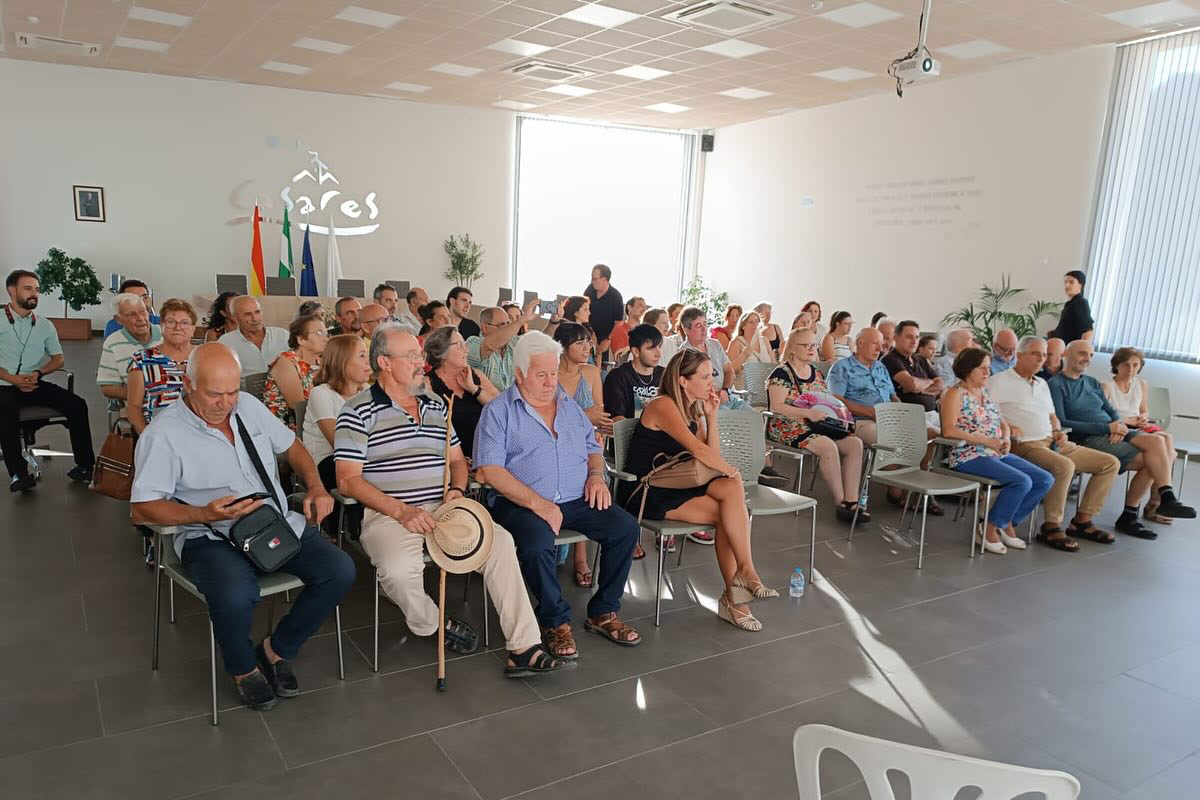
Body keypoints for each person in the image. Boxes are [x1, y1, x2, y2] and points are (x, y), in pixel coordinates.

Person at [334, 327, 571, 677]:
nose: (421, 363)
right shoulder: (357, 410)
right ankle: (432, 623)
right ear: (384, 362)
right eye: (411, 357)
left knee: (501, 544)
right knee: (398, 572)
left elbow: (458, 462)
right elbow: (347, 480)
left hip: (444, 507)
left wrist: (457, 491)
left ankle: (524, 646)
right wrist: (400, 510)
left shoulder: (436, 405)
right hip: (389, 513)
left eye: (420, 355)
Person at [130, 343, 354, 711]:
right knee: (236, 595)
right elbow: (142, 510)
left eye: (232, 391)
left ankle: (275, 650)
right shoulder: (164, 433)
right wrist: (203, 514)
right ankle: (242, 668)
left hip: (271, 524)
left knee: (339, 570)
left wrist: (315, 486)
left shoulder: (248, 407)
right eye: (214, 393)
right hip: (209, 536)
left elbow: (293, 447)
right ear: (188, 384)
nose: (226, 402)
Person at [473, 331, 642, 660]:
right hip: (521, 502)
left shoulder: (568, 407)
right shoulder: (498, 412)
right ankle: (555, 620)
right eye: (541, 375)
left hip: (576, 498)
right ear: (519, 374)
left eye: (553, 373)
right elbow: (489, 471)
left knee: (624, 528)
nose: (551, 382)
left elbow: (594, 448)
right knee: (536, 544)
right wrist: (539, 505)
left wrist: (596, 476)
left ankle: (603, 612)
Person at [630, 349, 777, 631]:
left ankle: (742, 583)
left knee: (731, 505)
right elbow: (698, 451)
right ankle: (740, 589)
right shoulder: (662, 405)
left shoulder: (692, 408)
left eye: (713, 375)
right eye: (705, 376)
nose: (712, 382)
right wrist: (730, 469)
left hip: (682, 484)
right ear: (683, 381)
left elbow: (709, 454)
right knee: (731, 499)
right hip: (649, 492)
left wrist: (712, 416)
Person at [990, 336, 1123, 550]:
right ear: (1020, 355)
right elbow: (987, 412)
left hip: (1052, 440)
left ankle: (1082, 520)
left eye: (1044, 355)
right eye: (1035, 354)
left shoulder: (1042, 383)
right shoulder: (999, 381)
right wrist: (1006, 425)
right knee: (1064, 466)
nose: (1041, 359)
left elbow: (1052, 415)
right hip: (1025, 444)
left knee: (1110, 463)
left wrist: (1057, 430)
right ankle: (1052, 525)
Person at [1050, 341, 1194, 535]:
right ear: (1066, 353)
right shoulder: (1056, 384)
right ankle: (1130, 515)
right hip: (1089, 437)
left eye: (1091, 355)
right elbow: (1062, 421)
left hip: (1114, 430)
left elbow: (1110, 411)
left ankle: (1167, 497)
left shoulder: (1091, 382)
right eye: (1082, 353)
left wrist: (1119, 426)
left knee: (1158, 442)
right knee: (1153, 461)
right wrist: (1107, 427)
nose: (1087, 359)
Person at [941, 347, 1054, 554]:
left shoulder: (985, 392)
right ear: (968, 369)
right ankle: (990, 527)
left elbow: (1001, 420)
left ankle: (1006, 521)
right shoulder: (954, 394)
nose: (987, 372)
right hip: (968, 455)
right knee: (1022, 481)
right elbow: (948, 430)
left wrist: (1005, 437)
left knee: (1044, 479)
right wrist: (986, 440)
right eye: (982, 368)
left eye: (988, 368)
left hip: (994, 452)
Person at [0, 270, 94, 491]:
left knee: (77, 405)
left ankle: (85, 466)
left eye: (37, 289)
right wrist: (12, 378)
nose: (35, 294)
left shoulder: (44, 325)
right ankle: (19, 474)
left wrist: (39, 373)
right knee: (6, 410)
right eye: (28, 288)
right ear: (11, 290)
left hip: (33, 382)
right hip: (4, 384)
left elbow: (58, 358)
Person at [767, 329, 864, 521]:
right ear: (793, 348)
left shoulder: (817, 372)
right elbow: (776, 407)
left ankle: (852, 500)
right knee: (827, 446)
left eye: (814, 345)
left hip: (816, 424)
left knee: (855, 444)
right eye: (807, 345)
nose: (813, 349)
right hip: (787, 425)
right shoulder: (781, 373)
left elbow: (826, 402)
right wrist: (807, 413)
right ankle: (841, 503)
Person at [553, 322, 616, 587]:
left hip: (586, 443)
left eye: (588, 342)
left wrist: (602, 424)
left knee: (592, 484)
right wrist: (585, 417)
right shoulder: (550, 374)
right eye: (579, 343)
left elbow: (598, 412)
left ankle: (581, 556)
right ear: (563, 348)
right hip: (556, 443)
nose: (587, 348)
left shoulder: (591, 373)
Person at [1103, 347, 1179, 523]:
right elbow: (1105, 416)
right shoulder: (1107, 385)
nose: (1131, 370)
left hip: (1138, 426)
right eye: (1126, 365)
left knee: (1168, 440)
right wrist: (1129, 421)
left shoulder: (1141, 384)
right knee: (1165, 453)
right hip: (1122, 426)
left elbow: (1144, 410)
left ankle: (1157, 501)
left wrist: (1142, 418)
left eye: (1135, 365)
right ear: (1117, 365)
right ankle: (1156, 504)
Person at [302, 333, 370, 494]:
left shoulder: (367, 390)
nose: (368, 361)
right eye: (361, 356)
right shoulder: (321, 393)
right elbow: (339, 443)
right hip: (329, 462)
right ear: (342, 362)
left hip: (363, 458)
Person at [425, 325, 499, 462]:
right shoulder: (427, 384)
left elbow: (501, 409)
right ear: (441, 352)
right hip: (450, 461)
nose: (467, 350)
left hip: (487, 457)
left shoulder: (477, 376)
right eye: (460, 345)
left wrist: (474, 389)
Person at [127, 299, 198, 435]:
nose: (178, 327)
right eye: (171, 322)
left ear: (193, 329)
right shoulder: (142, 359)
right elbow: (133, 408)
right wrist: (148, 439)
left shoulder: (205, 357)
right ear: (161, 326)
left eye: (184, 322)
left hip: (199, 431)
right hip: (158, 432)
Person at [827, 327, 897, 446]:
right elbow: (836, 400)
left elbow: (893, 396)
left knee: (924, 435)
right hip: (861, 421)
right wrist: (870, 413)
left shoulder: (881, 367)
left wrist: (903, 412)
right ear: (860, 343)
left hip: (889, 419)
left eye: (881, 345)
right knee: (892, 442)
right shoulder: (842, 367)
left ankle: (920, 466)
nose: (879, 349)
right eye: (875, 343)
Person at [262, 314, 326, 429]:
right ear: (301, 340)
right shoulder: (286, 362)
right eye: (319, 333)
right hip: (286, 428)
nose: (325, 338)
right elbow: (297, 405)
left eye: (325, 333)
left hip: (313, 422)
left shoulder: (320, 362)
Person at [466, 299, 547, 391]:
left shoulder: (513, 342)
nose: (506, 329)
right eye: (502, 325)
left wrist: (554, 322)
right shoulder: (472, 342)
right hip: (486, 404)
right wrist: (523, 318)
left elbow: (543, 344)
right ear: (485, 327)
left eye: (508, 324)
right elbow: (488, 345)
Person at [97, 292, 164, 402]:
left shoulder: (166, 334)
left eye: (143, 312)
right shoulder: (113, 342)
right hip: (138, 405)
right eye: (132, 315)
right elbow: (108, 388)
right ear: (118, 319)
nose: (141, 318)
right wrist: (147, 396)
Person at [604, 323, 665, 421]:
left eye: (659, 347)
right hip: (629, 433)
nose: (658, 353)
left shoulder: (665, 375)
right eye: (651, 348)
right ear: (635, 352)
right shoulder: (618, 376)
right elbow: (616, 417)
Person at [882, 320, 943, 413]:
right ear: (896, 338)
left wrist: (921, 390)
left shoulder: (921, 359)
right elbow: (912, 385)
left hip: (933, 413)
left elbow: (940, 385)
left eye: (917, 337)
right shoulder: (891, 359)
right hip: (909, 416)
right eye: (909, 337)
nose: (914, 342)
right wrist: (930, 382)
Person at [218, 296, 289, 375]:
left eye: (257, 312)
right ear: (236, 318)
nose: (254, 318)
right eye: (247, 314)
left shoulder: (282, 335)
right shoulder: (225, 343)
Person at [679, 306, 735, 405]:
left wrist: (725, 390)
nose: (704, 329)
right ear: (686, 330)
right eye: (698, 325)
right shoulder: (683, 353)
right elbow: (689, 386)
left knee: (755, 416)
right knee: (737, 419)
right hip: (706, 402)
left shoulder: (715, 344)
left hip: (727, 396)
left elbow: (729, 371)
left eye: (705, 324)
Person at [726, 308, 775, 390]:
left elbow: (773, 364)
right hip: (745, 390)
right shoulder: (736, 342)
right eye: (751, 322)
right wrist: (744, 355)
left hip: (764, 390)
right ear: (743, 326)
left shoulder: (765, 341)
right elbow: (730, 370)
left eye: (757, 321)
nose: (755, 324)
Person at [583, 264, 623, 361]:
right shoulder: (590, 290)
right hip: (587, 334)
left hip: (603, 339)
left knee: (600, 365)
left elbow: (619, 322)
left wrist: (608, 339)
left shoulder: (615, 296)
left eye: (595, 279)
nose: (592, 281)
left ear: (605, 279)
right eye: (591, 278)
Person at [1053, 270, 1094, 344]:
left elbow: (1088, 331)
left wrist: (1082, 351)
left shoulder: (1080, 303)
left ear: (1080, 285)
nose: (1067, 285)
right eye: (1065, 282)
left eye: (1071, 282)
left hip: (1070, 350)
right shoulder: (1070, 304)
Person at [608, 295, 646, 363]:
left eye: (645, 307)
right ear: (629, 307)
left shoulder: (646, 331)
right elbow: (620, 358)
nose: (643, 309)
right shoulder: (620, 331)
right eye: (640, 305)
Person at [562, 295, 599, 359]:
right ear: (575, 312)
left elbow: (596, 354)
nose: (589, 313)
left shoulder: (588, 330)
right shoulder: (566, 331)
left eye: (588, 309)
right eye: (585, 309)